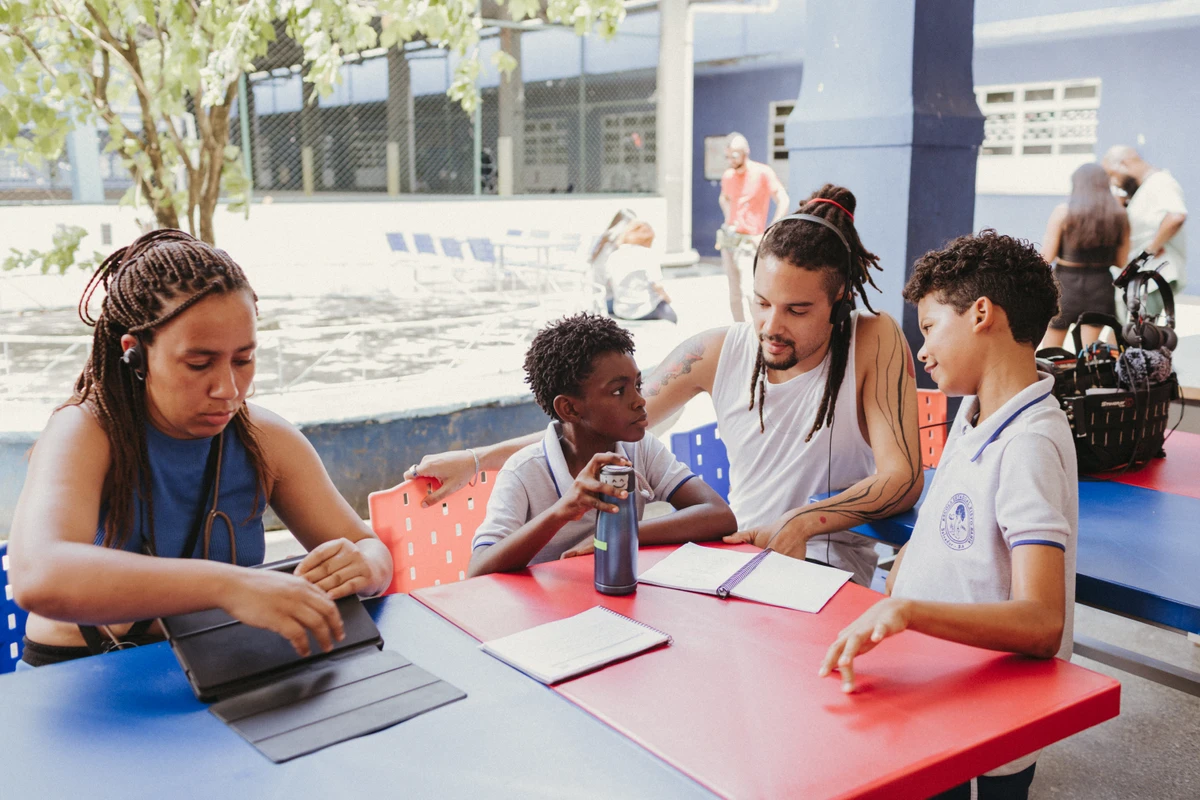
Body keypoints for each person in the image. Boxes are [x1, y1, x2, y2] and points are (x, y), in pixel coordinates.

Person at [408, 185, 924, 587]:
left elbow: (903, 477)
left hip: (819, 573)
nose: (771, 326)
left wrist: (805, 521)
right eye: (762, 302)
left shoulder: (871, 339)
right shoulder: (717, 350)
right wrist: (477, 460)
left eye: (798, 310)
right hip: (733, 564)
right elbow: (598, 421)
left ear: (838, 302)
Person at [7, 230, 393, 668]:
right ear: (136, 353)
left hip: (225, 664)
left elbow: (368, 546)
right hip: (85, 674)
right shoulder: (85, 431)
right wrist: (230, 586)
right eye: (198, 364)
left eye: (244, 359)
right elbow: (39, 577)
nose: (228, 389)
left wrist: (365, 568)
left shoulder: (265, 439)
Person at [820, 230, 1075, 800]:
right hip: (940, 680)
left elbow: (1041, 621)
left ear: (982, 313)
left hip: (985, 711)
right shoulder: (976, 414)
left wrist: (907, 609)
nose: (923, 350)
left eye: (930, 328)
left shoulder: (1029, 442)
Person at [468, 313, 735, 576]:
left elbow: (719, 515)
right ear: (570, 408)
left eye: (638, 385)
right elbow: (478, 568)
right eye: (618, 391)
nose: (639, 401)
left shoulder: (640, 449)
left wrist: (622, 533)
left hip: (616, 598)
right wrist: (562, 511)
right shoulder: (524, 471)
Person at [1039, 162, 1129, 349]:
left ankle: (1056, 379)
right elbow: (1122, 262)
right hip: (1100, 285)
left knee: (1050, 353)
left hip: (1065, 285)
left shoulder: (1063, 212)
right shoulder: (1119, 215)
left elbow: (1046, 256)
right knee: (1088, 355)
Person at [1102, 146, 1188, 314]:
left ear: (1125, 164)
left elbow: (1176, 216)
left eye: (1112, 174)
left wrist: (1150, 250)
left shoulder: (1160, 182)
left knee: (1141, 334)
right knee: (1129, 332)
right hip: (1141, 279)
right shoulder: (1145, 187)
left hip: (1153, 276)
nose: (1113, 181)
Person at [717, 133, 789, 322]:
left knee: (750, 291)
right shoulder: (728, 176)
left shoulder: (762, 172)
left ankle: (757, 335)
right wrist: (728, 217)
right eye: (728, 155)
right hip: (729, 238)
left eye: (734, 155)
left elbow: (783, 199)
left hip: (750, 240)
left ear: (745, 153)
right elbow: (724, 198)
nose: (731, 160)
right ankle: (740, 333)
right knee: (733, 293)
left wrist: (770, 230)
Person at [604, 221, 678, 323]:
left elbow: (608, 284)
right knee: (673, 317)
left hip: (621, 310)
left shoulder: (613, 256)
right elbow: (657, 286)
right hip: (645, 310)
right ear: (648, 239)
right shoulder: (648, 254)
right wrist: (668, 300)